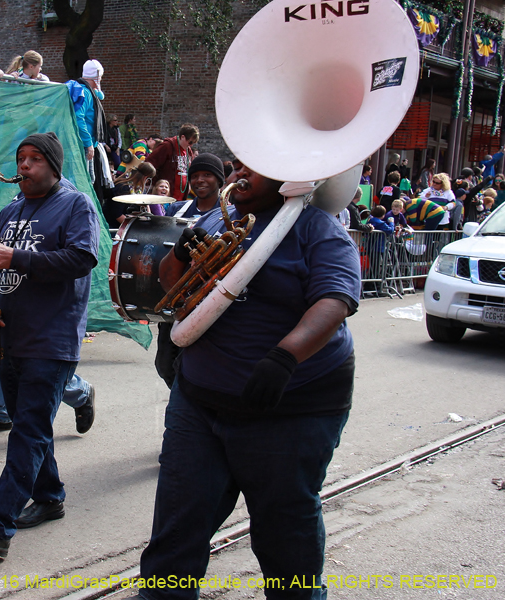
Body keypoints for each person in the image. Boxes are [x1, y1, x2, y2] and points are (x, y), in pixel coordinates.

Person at [136, 158, 360, 600]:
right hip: (199, 402)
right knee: (177, 525)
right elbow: (170, 288)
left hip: (292, 406)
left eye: (254, 167)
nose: (239, 173)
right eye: (238, 165)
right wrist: (179, 253)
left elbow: (335, 300)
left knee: (285, 535)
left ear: (287, 179)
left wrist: (284, 357)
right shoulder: (216, 219)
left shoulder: (319, 229)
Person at [0, 132, 100, 558]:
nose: (24, 167)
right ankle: (51, 496)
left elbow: (82, 259)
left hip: (51, 337)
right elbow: (0, 267)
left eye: (35, 159)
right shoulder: (10, 210)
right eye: (21, 158)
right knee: (30, 426)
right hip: (10, 335)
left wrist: (14, 257)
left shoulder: (75, 205)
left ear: (54, 166)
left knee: (27, 432)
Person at [154, 153, 226, 390]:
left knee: (201, 362)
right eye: (195, 176)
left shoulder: (229, 213)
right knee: (165, 364)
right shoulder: (176, 208)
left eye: (207, 175)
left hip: (209, 300)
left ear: (219, 180)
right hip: (176, 297)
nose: (200, 180)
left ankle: (187, 408)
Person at [65, 59, 110, 199]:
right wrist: (88, 143)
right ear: (96, 77)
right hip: (84, 144)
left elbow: (100, 95)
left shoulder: (89, 91)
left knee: (88, 180)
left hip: (88, 143)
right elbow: (79, 118)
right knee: (83, 181)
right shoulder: (85, 92)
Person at [146, 124, 199, 202]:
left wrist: (189, 184)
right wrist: (153, 184)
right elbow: (149, 164)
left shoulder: (189, 151)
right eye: (190, 142)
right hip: (166, 195)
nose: (190, 145)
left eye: (193, 143)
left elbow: (188, 170)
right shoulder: (167, 146)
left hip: (181, 196)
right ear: (182, 137)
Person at [102, 161, 161, 227]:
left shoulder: (139, 188)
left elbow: (145, 205)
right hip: (113, 225)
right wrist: (135, 227)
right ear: (145, 178)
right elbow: (117, 214)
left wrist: (148, 216)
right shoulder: (123, 187)